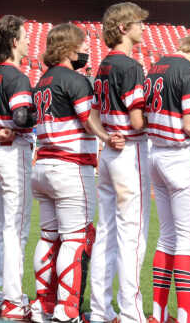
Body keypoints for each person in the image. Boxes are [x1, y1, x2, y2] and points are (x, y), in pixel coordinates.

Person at [30, 23, 124, 323]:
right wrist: (108, 137)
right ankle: (66, 309)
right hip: (70, 166)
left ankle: (43, 305)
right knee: (75, 239)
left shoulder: (42, 80)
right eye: (82, 45)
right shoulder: (75, 79)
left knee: (48, 238)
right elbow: (87, 120)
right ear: (69, 49)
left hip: (43, 164)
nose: (85, 50)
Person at [145, 29, 190, 323]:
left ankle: (159, 314)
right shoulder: (189, 71)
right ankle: (187, 316)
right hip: (179, 156)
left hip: (156, 153)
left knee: (166, 238)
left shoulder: (157, 65)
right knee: (188, 240)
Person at [90, 2, 150, 323]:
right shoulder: (130, 66)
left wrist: (105, 137)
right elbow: (139, 121)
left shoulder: (103, 65)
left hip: (111, 151)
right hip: (131, 152)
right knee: (133, 236)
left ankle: (100, 309)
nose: (143, 27)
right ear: (123, 28)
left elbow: (92, 117)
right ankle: (131, 312)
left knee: (106, 233)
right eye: (138, 22)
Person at [0, 15, 36, 321]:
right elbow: (20, 118)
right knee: (15, 229)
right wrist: (41, 112)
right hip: (13, 152)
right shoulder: (17, 76)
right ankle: (14, 300)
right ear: (14, 42)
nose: (27, 41)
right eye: (24, 37)